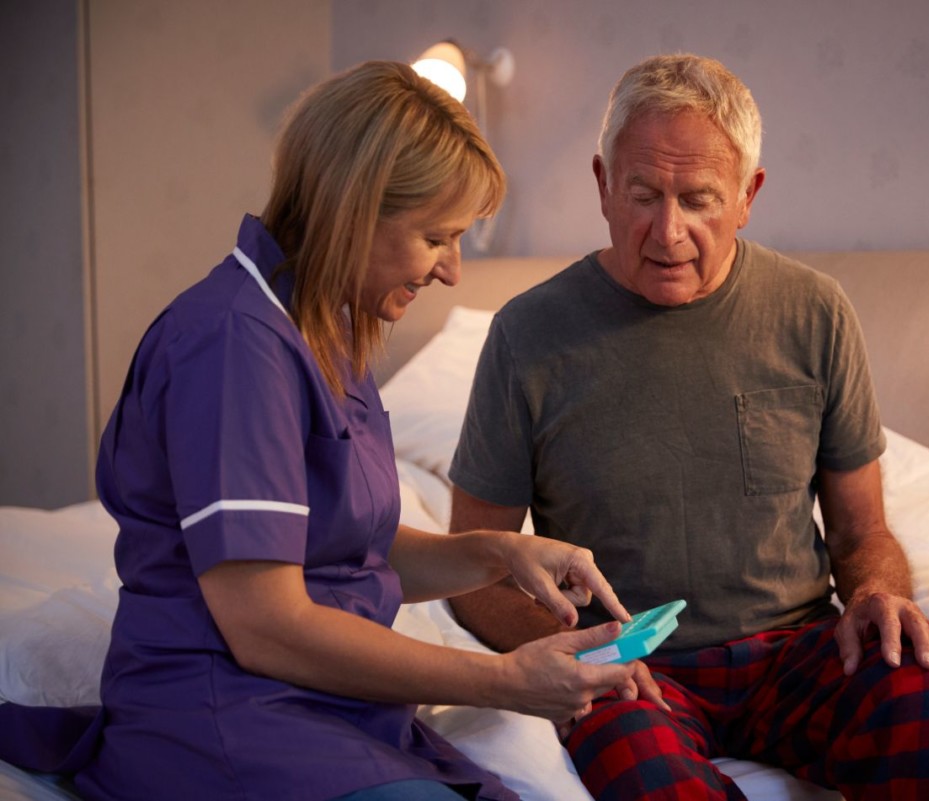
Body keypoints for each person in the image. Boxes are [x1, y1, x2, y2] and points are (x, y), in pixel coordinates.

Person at [0, 61, 650, 801]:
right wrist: (503, 680)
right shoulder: (233, 344)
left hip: (323, 709)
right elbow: (265, 625)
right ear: (355, 209)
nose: (452, 272)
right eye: (438, 237)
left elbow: (344, 550)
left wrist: (495, 553)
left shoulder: (320, 327)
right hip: (231, 718)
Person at [447, 54, 929, 801]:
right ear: (602, 184)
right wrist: (567, 653)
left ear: (749, 195)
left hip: (800, 653)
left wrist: (881, 593)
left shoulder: (814, 312)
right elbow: (471, 567)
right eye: (643, 194)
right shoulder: (527, 335)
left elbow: (859, 534)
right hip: (627, 664)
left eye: (699, 199)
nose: (668, 231)